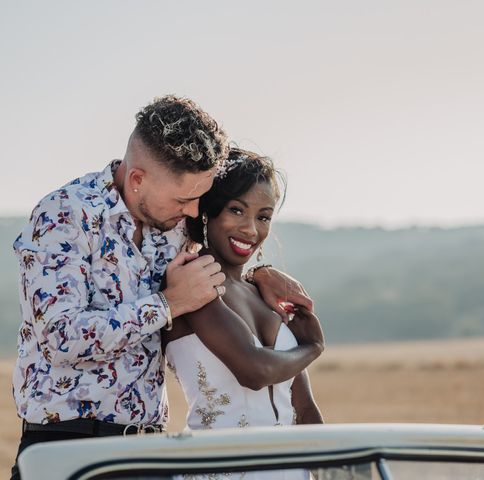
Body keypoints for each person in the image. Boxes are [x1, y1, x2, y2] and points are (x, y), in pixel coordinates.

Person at [11, 96, 316, 480]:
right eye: (185, 199)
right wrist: (168, 304)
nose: (191, 212)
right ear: (138, 179)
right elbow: (61, 336)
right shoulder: (64, 214)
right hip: (68, 449)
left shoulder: (173, 224)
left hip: (151, 452)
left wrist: (261, 273)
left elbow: (227, 243)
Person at [164, 148, 323, 478]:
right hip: (220, 469)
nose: (251, 229)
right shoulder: (194, 283)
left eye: (263, 217)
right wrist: (311, 348)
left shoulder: (266, 293)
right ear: (208, 211)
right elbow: (254, 371)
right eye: (237, 210)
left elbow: (304, 409)